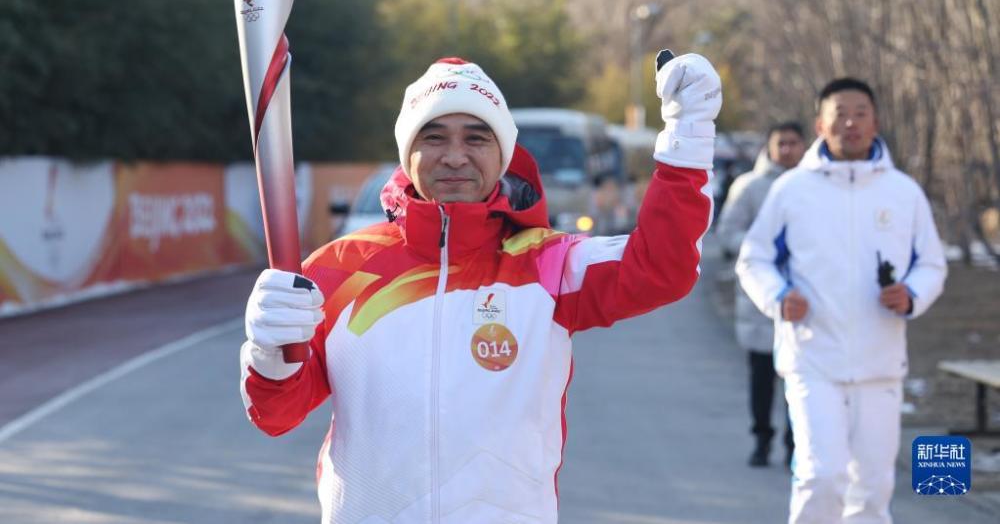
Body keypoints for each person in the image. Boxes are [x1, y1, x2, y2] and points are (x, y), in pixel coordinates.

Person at [240, 52, 722, 523]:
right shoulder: (337, 271)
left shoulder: (548, 264)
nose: (454, 156)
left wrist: (688, 141)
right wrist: (268, 352)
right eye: (433, 137)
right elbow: (275, 414)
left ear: (503, 154)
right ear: (408, 152)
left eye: (476, 138)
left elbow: (663, 266)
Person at [737, 78, 947, 524]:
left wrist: (911, 295)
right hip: (813, 358)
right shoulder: (792, 190)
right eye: (840, 113)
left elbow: (932, 264)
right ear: (821, 124)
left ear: (876, 122)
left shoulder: (903, 192)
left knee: (872, 491)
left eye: (860, 113)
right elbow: (753, 259)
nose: (850, 123)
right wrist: (778, 297)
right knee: (822, 476)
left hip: (880, 364)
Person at [716, 121, 806, 467]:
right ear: (769, 147)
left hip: (804, 297)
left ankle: (796, 443)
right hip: (761, 300)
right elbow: (728, 231)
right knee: (762, 377)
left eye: (793, 143)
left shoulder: (814, 186)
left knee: (797, 376)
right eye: (780, 143)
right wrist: (763, 253)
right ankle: (762, 438)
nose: (787, 149)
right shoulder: (749, 187)